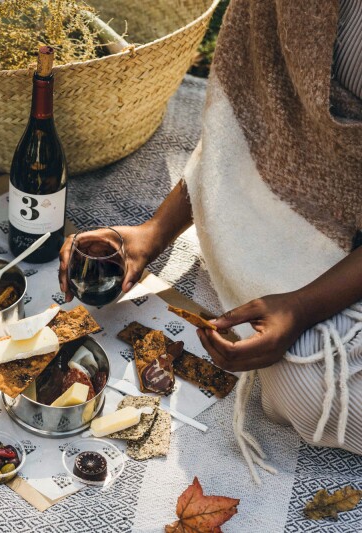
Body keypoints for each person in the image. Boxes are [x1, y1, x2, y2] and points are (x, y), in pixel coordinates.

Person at [60, 0, 362, 483]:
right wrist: (153, 234)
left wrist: (302, 307)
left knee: (304, 388)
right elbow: (255, 123)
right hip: (323, 196)